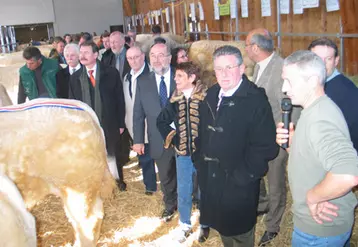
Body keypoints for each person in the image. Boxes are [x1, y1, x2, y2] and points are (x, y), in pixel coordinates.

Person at [193, 45, 278, 247]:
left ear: (241, 69)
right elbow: (203, 132)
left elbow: (266, 146)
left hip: (239, 184)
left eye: (229, 67)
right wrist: (199, 159)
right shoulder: (212, 95)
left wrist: (244, 176)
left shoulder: (255, 99)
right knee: (223, 230)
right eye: (219, 69)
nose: (224, 74)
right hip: (212, 180)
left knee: (240, 234)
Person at [277, 50, 358, 247]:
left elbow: (349, 173)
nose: (284, 88)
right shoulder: (314, 109)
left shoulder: (319, 118)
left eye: (289, 81)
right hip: (325, 227)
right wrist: (293, 146)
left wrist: (314, 197)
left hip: (318, 232)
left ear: (313, 80)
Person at [245, 28, 300, 246]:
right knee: (259, 176)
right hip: (259, 137)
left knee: (276, 183)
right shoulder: (260, 67)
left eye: (248, 45)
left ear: (256, 48)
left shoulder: (281, 68)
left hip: (276, 138)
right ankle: (262, 205)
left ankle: (273, 226)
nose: (246, 48)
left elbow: (289, 108)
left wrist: (285, 140)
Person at [157, 61, 207, 242]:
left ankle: (205, 224)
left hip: (203, 155)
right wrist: (174, 137)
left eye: (180, 76)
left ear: (192, 78)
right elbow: (161, 121)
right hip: (183, 155)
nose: (175, 79)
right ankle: (185, 224)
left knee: (204, 190)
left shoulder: (206, 98)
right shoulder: (174, 100)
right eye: (175, 75)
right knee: (184, 190)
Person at [68, 41, 126, 190]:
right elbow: (74, 105)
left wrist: (120, 124)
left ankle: (117, 182)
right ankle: (99, 184)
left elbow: (120, 99)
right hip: (87, 126)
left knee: (112, 154)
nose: (82, 56)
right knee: (92, 155)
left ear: (96, 54)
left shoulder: (110, 72)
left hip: (109, 123)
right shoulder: (75, 78)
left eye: (86, 53)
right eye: (81, 53)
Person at [133, 42, 177, 222]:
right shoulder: (143, 82)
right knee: (165, 176)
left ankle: (193, 201)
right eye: (153, 56)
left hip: (183, 137)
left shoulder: (182, 77)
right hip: (158, 139)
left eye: (161, 55)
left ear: (169, 58)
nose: (157, 60)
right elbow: (138, 113)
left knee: (190, 173)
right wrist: (138, 140)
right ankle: (169, 205)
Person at [308, 38, 358, 152]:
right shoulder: (316, 84)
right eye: (317, 58)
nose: (322, 64)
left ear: (336, 61)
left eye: (328, 59)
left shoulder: (346, 92)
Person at [123, 45, 157, 195]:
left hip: (153, 126)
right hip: (135, 125)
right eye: (130, 58)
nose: (133, 61)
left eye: (136, 57)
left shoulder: (152, 74)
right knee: (144, 158)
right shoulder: (126, 77)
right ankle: (150, 186)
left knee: (157, 157)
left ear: (143, 56)